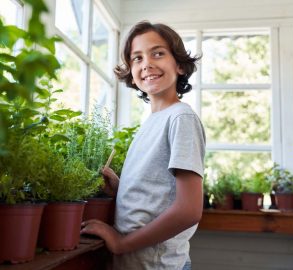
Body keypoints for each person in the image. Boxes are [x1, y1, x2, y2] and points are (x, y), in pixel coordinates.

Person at [80, 20, 206, 270]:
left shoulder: (181, 118)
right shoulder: (150, 123)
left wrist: (121, 243)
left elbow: (189, 210)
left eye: (157, 53)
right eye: (137, 58)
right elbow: (159, 193)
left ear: (179, 65)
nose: (146, 63)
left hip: (157, 265)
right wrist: (121, 188)